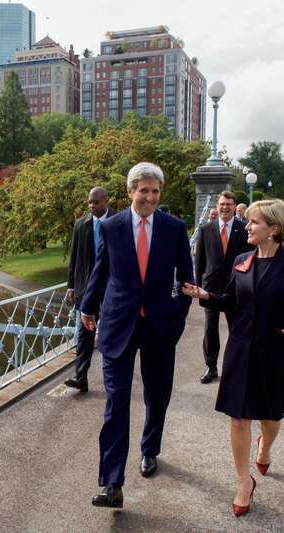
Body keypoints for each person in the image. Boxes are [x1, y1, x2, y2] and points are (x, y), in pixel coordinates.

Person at [182, 199, 284, 517]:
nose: (247, 226)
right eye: (249, 221)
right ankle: (243, 482)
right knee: (239, 418)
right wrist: (206, 295)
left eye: (254, 222)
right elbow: (230, 300)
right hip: (240, 349)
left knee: (271, 419)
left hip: (274, 350)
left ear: (274, 229)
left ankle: (265, 446)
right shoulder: (242, 259)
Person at [80, 162, 193, 508]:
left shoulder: (174, 228)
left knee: (157, 395)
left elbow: (185, 279)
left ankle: (150, 449)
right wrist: (87, 307)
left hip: (160, 326)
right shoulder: (111, 227)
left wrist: (178, 318)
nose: (150, 197)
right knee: (115, 404)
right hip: (117, 325)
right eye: (143, 191)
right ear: (130, 192)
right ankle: (111, 482)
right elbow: (101, 271)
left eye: (155, 191)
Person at [194, 190, 253, 384]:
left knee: (236, 328)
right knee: (210, 328)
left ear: (235, 206)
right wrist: (197, 286)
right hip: (210, 288)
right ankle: (211, 366)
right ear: (217, 206)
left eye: (228, 204)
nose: (225, 207)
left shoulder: (244, 228)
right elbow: (200, 261)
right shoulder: (205, 229)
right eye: (221, 204)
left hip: (236, 287)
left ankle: (236, 365)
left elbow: (250, 260)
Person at [64, 187, 115, 393]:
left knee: (112, 331)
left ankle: (113, 379)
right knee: (85, 332)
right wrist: (71, 285)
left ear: (105, 201)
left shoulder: (119, 222)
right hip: (87, 287)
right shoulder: (80, 225)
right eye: (89, 202)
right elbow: (74, 257)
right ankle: (81, 377)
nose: (92, 206)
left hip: (112, 285)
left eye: (96, 202)